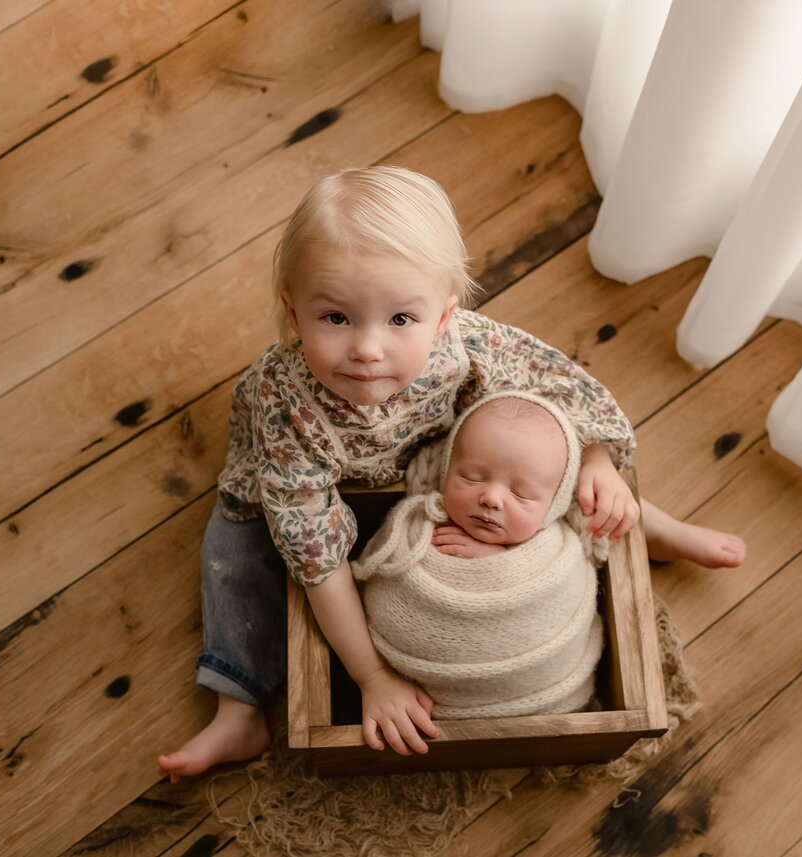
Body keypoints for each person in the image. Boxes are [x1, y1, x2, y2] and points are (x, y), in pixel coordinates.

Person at [157, 165, 745, 781]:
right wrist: (373, 675)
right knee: (234, 548)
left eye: (400, 320)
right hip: (305, 487)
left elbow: (561, 387)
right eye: (335, 318)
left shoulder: (466, 345)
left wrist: (597, 459)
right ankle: (240, 706)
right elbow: (318, 560)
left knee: (540, 459)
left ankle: (654, 528)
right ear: (294, 311)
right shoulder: (287, 408)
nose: (367, 349)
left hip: (438, 457)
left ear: (442, 318)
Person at [354, 392, 606, 719]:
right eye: (472, 477)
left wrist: (501, 559)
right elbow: (383, 592)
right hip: (418, 706)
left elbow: (566, 598)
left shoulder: (558, 553)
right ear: (446, 469)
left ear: (553, 505)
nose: (491, 497)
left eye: (522, 493)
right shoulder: (412, 534)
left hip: (545, 698)